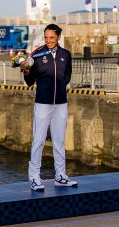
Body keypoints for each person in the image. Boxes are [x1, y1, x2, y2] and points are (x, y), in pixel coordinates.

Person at [21, 24, 77, 191]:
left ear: (58, 37)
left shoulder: (65, 55)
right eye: (46, 37)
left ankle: (60, 176)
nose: (48, 40)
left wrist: (58, 89)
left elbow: (67, 76)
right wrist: (25, 70)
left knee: (59, 141)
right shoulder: (37, 54)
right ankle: (34, 177)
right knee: (38, 140)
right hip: (43, 103)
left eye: (51, 37)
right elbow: (29, 81)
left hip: (61, 103)